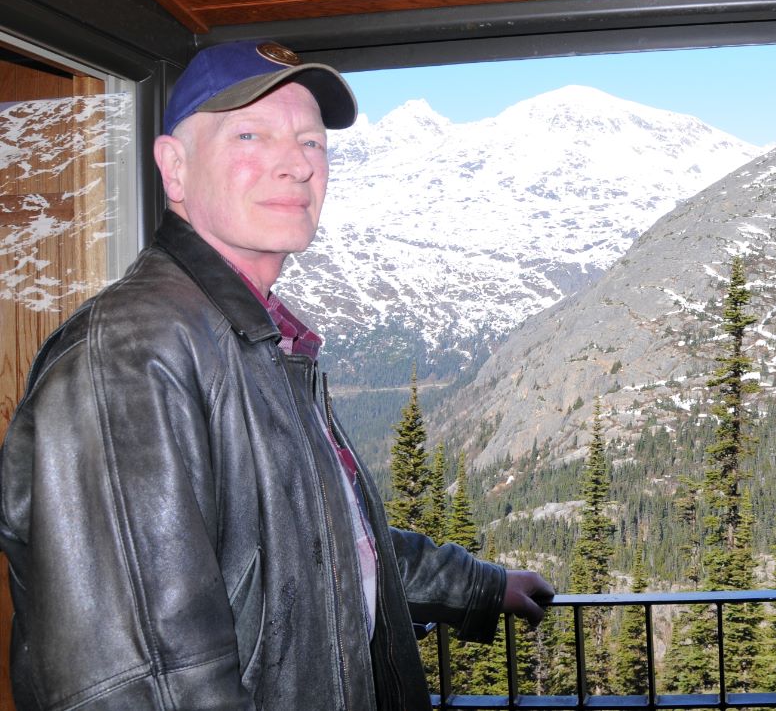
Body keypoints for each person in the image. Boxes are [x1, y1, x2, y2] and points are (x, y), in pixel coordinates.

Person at [0, 40, 554, 710]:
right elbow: (144, 680)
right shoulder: (130, 357)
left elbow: (320, 547)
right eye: (250, 134)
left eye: (312, 143)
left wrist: (477, 586)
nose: (295, 165)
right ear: (175, 169)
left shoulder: (252, 340)